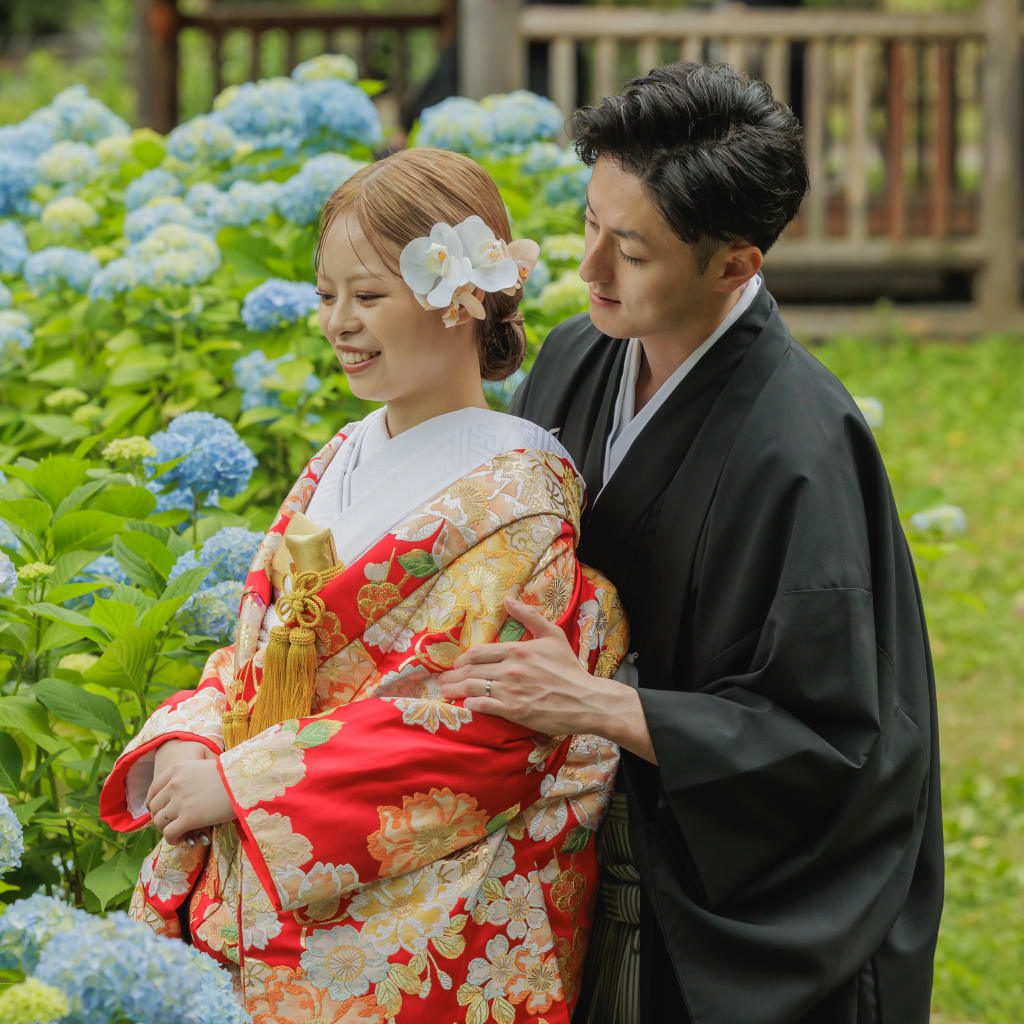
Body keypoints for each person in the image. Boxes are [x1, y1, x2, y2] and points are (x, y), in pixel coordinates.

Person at [439, 62, 943, 1024]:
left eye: (628, 249)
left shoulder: (802, 449)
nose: (589, 270)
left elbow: (833, 742)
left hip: (725, 895)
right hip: (579, 847)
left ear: (735, 265)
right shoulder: (576, 356)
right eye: (590, 223)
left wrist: (602, 704)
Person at [100, 147, 630, 1023]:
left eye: (369, 296)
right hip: (276, 845)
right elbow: (258, 650)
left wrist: (248, 785)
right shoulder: (340, 456)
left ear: (461, 301)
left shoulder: (522, 499)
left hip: (400, 900)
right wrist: (193, 740)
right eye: (326, 294)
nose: (339, 322)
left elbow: (479, 729)